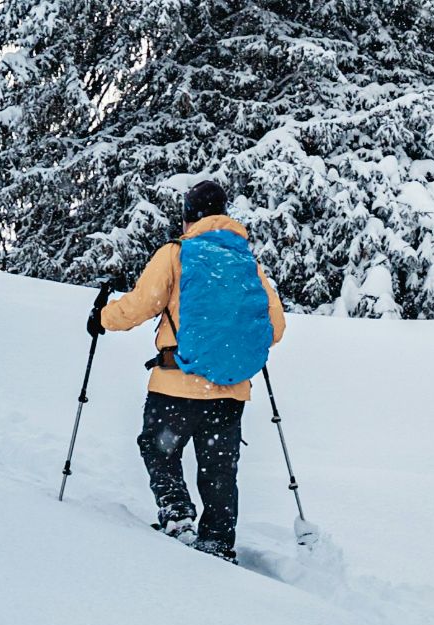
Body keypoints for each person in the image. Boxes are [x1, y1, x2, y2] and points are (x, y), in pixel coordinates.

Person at [90, 179, 287, 562]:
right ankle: (216, 542)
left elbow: (141, 304)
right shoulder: (248, 263)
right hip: (231, 390)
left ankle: (177, 514)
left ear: (188, 217)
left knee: (158, 447)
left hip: (175, 383)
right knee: (219, 471)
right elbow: (274, 327)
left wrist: (102, 318)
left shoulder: (176, 253)